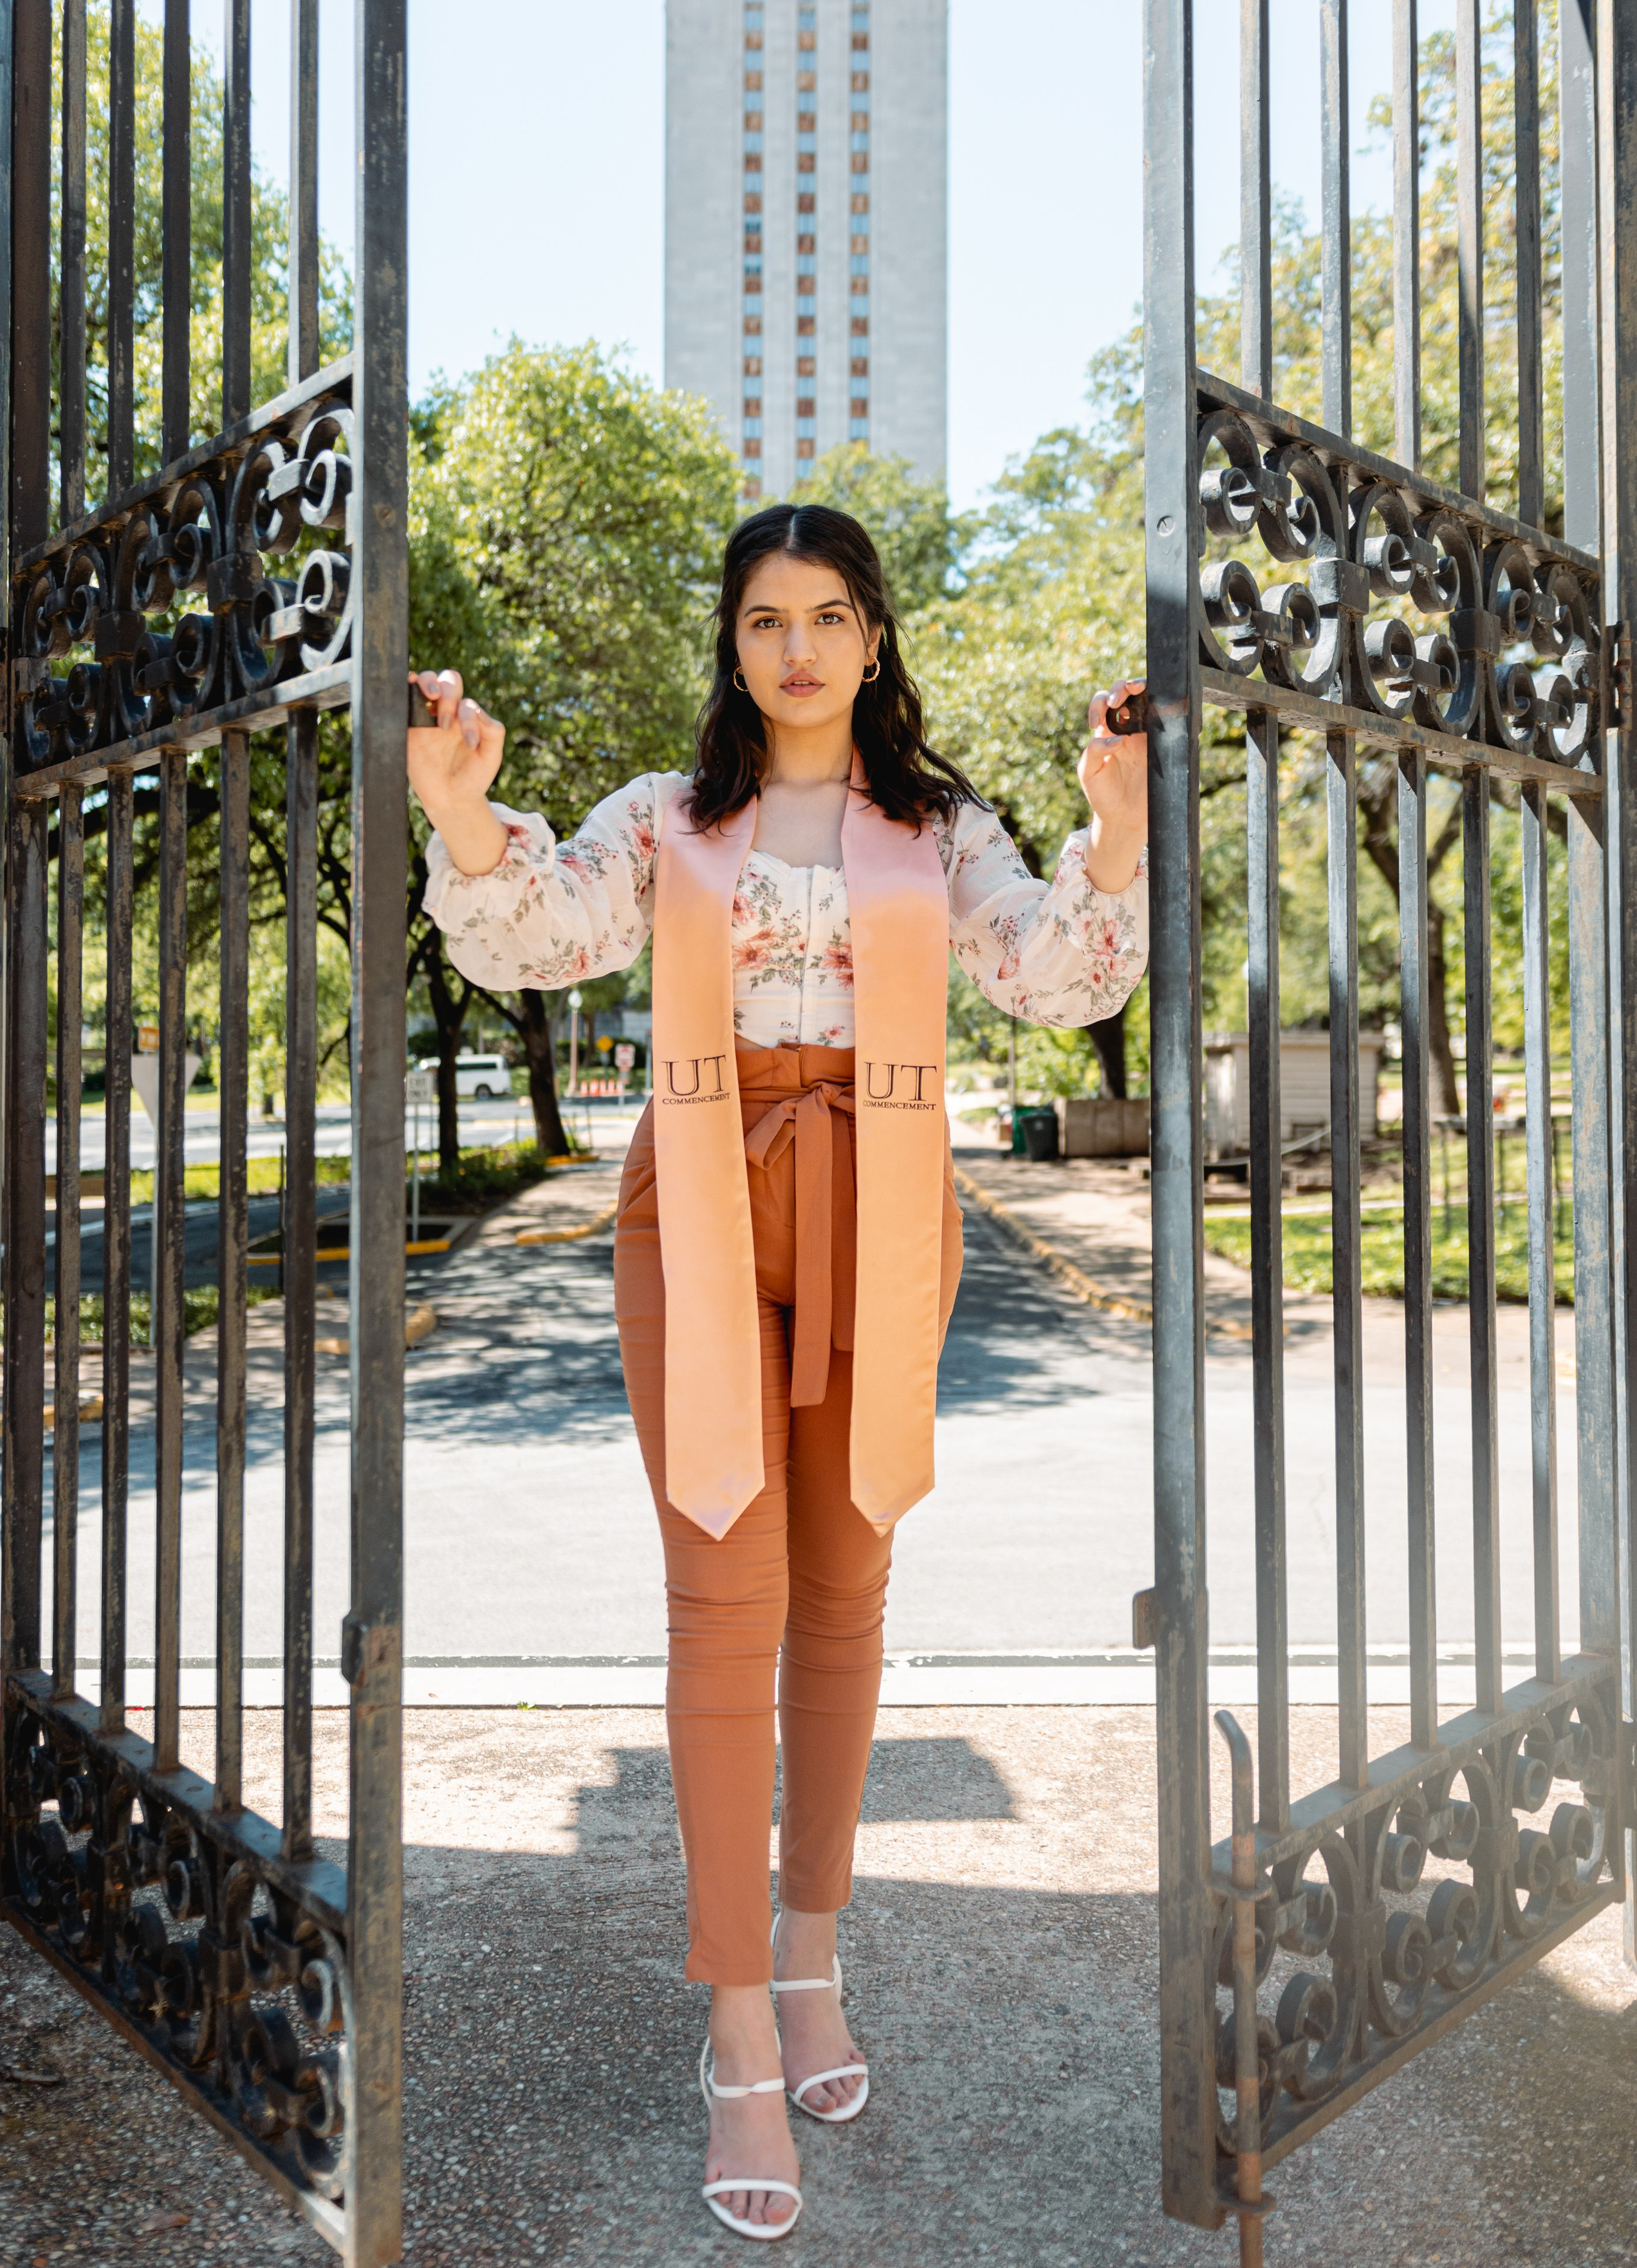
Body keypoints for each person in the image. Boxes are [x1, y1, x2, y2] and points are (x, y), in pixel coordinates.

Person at [408, 502, 1149, 2242]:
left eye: (830, 614)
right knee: (722, 1591)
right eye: (765, 618)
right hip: (703, 1198)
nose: (799, 645)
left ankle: (814, 1949)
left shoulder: (936, 827)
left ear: (875, 640)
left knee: (847, 1586)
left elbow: (1054, 977)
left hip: (884, 1195)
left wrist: (1112, 834)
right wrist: (457, 799)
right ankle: (738, 2010)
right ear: (733, 645)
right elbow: (529, 929)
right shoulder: (667, 824)